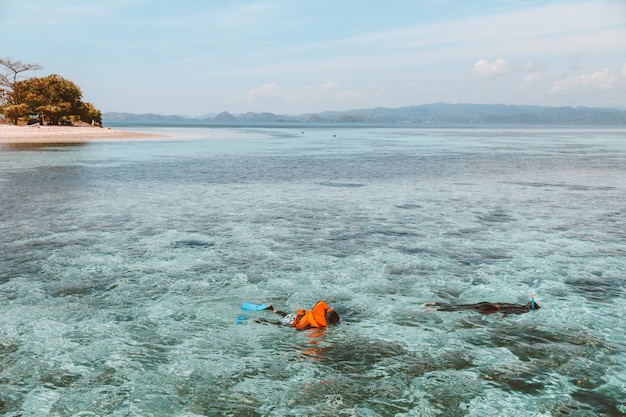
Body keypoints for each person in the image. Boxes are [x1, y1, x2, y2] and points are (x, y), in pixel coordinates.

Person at [255, 300, 340, 330]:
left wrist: (327, 309)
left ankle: (273, 309)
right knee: (277, 324)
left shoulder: (317, 313)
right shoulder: (317, 325)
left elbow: (322, 303)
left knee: (285, 315)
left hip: (294, 316)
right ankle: (261, 321)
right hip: (291, 323)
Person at [422, 300, 540, 315]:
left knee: (461, 305)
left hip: (491, 304)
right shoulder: (523, 310)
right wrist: (501, 317)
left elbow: (503, 303)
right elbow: (509, 312)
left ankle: (434, 303)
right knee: (461, 309)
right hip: (492, 308)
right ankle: (434, 309)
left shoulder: (519, 304)